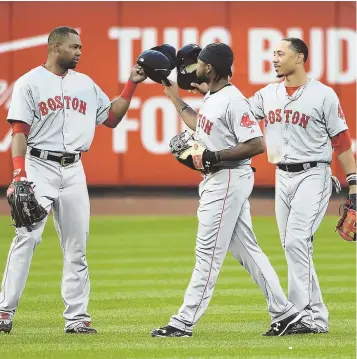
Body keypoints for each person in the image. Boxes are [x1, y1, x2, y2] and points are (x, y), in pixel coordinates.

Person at [151, 43, 307, 338]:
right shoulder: (214, 97)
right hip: (222, 179)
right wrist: (176, 100)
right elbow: (201, 126)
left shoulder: (233, 100)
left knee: (207, 254)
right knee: (248, 250)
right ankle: (285, 313)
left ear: (208, 68)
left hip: (227, 179)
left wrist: (215, 156)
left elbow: (256, 143)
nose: (195, 66)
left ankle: (183, 322)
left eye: (199, 62)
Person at [0, 26, 146, 334]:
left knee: (76, 247)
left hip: (74, 170)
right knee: (27, 239)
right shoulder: (30, 82)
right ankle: (4, 312)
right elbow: (19, 133)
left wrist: (131, 84)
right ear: (55, 48)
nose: (79, 52)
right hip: (38, 166)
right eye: (74, 47)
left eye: (80, 47)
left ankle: (77, 318)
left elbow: (112, 118)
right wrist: (18, 173)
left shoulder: (86, 84)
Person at [247, 37, 356, 334]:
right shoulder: (268, 94)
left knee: (296, 241)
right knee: (293, 246)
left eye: (281, 53)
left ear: (300, 58)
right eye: (273, 53)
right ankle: (312, 316)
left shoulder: (323, 95)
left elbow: (342, 142)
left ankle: (305, 317)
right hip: (282, 176)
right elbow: (237, 115)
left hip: (314, 174)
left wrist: (354, 185)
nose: (274, 58)